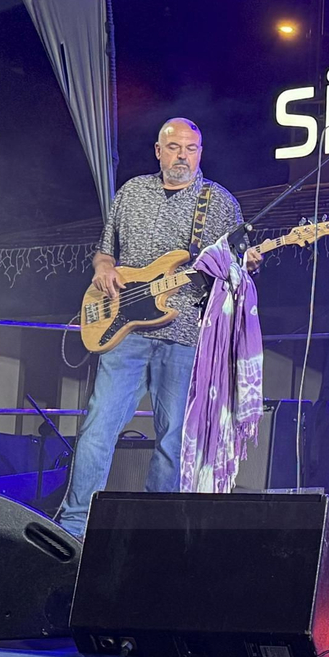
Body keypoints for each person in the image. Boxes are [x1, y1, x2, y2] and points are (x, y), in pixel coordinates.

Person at [58, 119, 254, 537]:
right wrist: (104, 268)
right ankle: (75, 525)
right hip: (122, 329)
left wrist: (248, 264)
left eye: (192, 148)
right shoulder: (131, 192)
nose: (183, 155)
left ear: (200, 153)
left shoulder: (218, 203)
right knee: (98, 426)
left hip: (184, 335)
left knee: (174, 439)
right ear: (158, 150)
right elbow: (104, 251)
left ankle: (153, 528)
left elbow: (239, 264)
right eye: (175, 147)